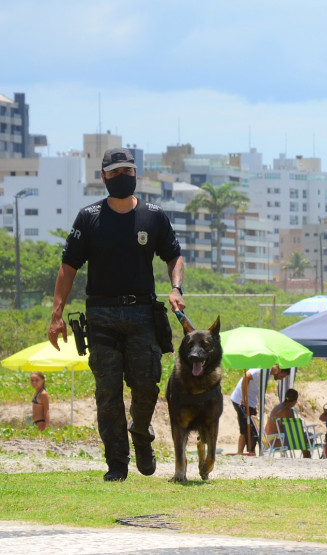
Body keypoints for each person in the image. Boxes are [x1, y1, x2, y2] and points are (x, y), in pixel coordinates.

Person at [47, 148, 184, 482]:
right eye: (115, 172)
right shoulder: (89, 218)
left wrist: (176, 288)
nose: (122, 176)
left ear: (136, 174)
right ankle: (117, 464)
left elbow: (174, 256)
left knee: (146, 386)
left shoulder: (154, 216)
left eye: (128, 170)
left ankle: (140, 433)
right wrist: (56, 314)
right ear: (103, 177)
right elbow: (68, 267)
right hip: (101, 314)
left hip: (142, 313)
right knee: (107, 393)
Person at [230, 365, 290, 455]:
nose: (281, 379)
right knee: (246, 427)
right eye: (283, 376)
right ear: (280, 370)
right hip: (240, 400)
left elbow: (257, 387)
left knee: (251, 427)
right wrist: (244, 397)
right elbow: (246, 377)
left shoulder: (268, 374)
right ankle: (244, 452)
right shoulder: (262, 369)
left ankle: (245, 452)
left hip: (251, 403)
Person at [264, 389, 309, 457]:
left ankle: (306, 457)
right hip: (276, 441)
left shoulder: (279, 407)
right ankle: (307, 458)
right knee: (306, 438)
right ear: (295, 401)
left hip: (270, 439)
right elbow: (294, 428)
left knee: (303, 438)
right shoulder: (286, 410)